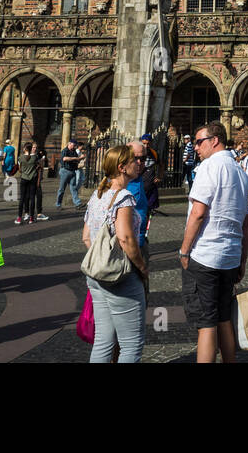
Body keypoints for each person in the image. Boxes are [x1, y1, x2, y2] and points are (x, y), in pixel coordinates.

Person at [179, 122, 248, 364]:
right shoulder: (241, 173)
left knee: (207, 322)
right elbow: (246, 223)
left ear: (215, 141)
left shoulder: (209, 167)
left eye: (199, 142)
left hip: (206, 255)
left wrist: (184, 250)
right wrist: (242, 260)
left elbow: (198, 212)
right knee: (224, 318)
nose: (195, 147)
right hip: (230, 257)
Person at [82, 144, 149, 363]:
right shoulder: (124, 197)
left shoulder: (97, 195)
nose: (139, 164)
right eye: (134, 161)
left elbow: (86, 237)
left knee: (103, 340)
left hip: (95, 275)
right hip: (120, 278)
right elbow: (126, 239)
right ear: (122, 167)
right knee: (131, 345)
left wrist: (101, 259)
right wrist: (141, 267)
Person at [15, 142, 41, 223]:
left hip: (24, 178)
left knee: (22, 198)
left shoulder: (20, 157)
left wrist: (24, 171)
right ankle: (31, 218)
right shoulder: (35, 157)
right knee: (32, 197)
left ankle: (19, 218)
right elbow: (38, 166)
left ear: (25, 149)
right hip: (32, 178)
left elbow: (19, 169)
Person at [56, 140, 83, 208]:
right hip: (65, 171)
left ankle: (78, 203)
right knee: (62, 189)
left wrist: (80, 158)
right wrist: (75, 158)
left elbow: (77, 160)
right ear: (69, 144)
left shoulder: (74, 151)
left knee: (73, 188)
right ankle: (58, 204)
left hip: (72, 171)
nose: (74, 147)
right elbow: (65, 159)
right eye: (73, 145)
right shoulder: (65, 150)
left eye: (75, 146)